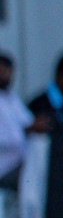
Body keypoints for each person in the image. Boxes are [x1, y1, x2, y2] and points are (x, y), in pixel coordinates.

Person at [0, 53, 35, 192]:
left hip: (21, 163)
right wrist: (30, 129)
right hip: (5, 168)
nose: (6, 76)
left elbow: (28, 122)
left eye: (8, 72)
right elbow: (12, 140)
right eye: (2, 72)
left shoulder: (10, 97)